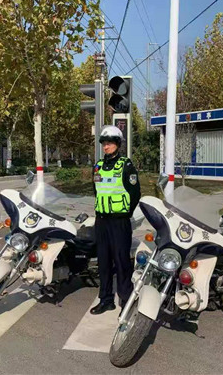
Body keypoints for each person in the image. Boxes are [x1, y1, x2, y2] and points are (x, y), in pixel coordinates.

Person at [90, 125, 141, 315]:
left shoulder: (126, 166)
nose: (106, 146)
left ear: (118, 144)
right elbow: (96, 190)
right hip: (102, 221)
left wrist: (124, 213)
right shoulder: (97, 166)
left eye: (110, 143)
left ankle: (126, 302)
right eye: (104, 143)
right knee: (103, 262)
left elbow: (135, 193)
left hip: (119, 222)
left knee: (122, 262)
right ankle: (106, 300)